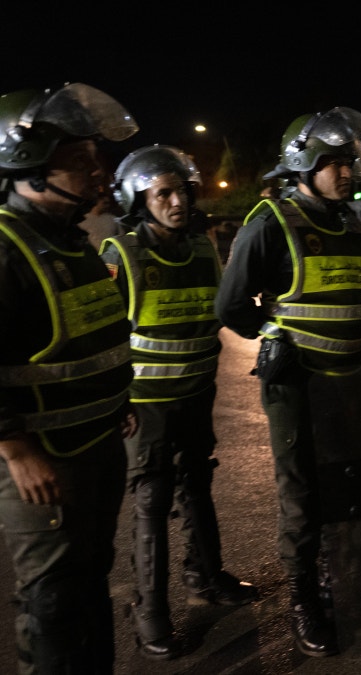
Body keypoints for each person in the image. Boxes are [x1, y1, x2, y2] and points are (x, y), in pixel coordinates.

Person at [215, 107, 361, 658]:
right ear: (302, 162)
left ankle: (344, 577)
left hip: (350, 381)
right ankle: (305, 599)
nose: (346, 173)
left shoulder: (351, 224)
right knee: (302, 496)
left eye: (349, 162)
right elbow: (231, 304)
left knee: (350, 481)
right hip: (297, 385)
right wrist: (275, 338)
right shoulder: (270, 222)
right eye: (333, 163)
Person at [0, 82, 139, 674]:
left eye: (95, 160)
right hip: (46, 466)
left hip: (97, 447)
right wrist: (14, 447)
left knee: (88, 588)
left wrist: (116, 403)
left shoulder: (70, 242)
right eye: (79, 162)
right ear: (29, 165)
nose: (96, 173)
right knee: (52, 604)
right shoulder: (6, 247)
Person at [100, 145, 258, 660]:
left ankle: (207, 578)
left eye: (181, 191)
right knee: (150, 502)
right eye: (162, 193)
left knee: (198, 484)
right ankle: (151, 613)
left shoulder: (202, 249)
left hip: (195, 396)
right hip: (144, 407)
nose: (176, 202)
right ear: (138, 199)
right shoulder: (120, 255)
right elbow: (102, 339)